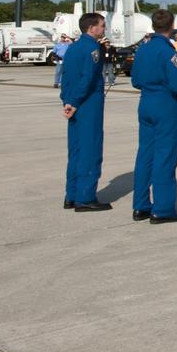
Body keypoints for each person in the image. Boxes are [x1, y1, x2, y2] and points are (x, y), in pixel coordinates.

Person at [131, 9, 177, 223]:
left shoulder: (142, 49)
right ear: (171, 26)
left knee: (145, 154)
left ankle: (140, 204)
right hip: (164, 103)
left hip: (145, 101)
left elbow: (135, 80)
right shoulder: (168, 52)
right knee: (165, 155)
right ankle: (162, 208)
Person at [60, 13, 111, 211]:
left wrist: (67, 100)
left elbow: (66, 77)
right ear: (92, 28)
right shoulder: (92, 48)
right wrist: (75, 100)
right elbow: (88, 78)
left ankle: (71, 194)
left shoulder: (72, 48)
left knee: (76, 150)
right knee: (90, 149)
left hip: (73, 103)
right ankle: (85, 197)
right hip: (88, 102)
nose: (104, 29)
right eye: (102, 25)